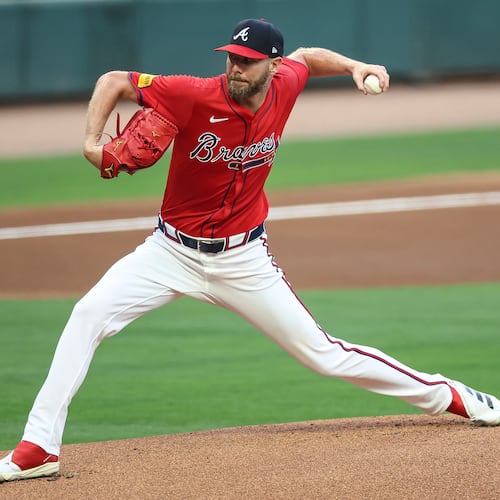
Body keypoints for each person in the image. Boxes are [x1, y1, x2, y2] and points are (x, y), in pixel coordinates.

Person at [1, 18, 498, 482]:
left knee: (324, 354)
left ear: (272, 66)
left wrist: (353, 66)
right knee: (87, 315)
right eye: (232, 57)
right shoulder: (190, 94)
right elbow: (114, 80)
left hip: (244, 261)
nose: (236, 66)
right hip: (168, 253)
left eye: (248, 60)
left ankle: (454, 396)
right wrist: (91, 142)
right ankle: (39, 448)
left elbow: (308, 56)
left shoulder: (287, 83)